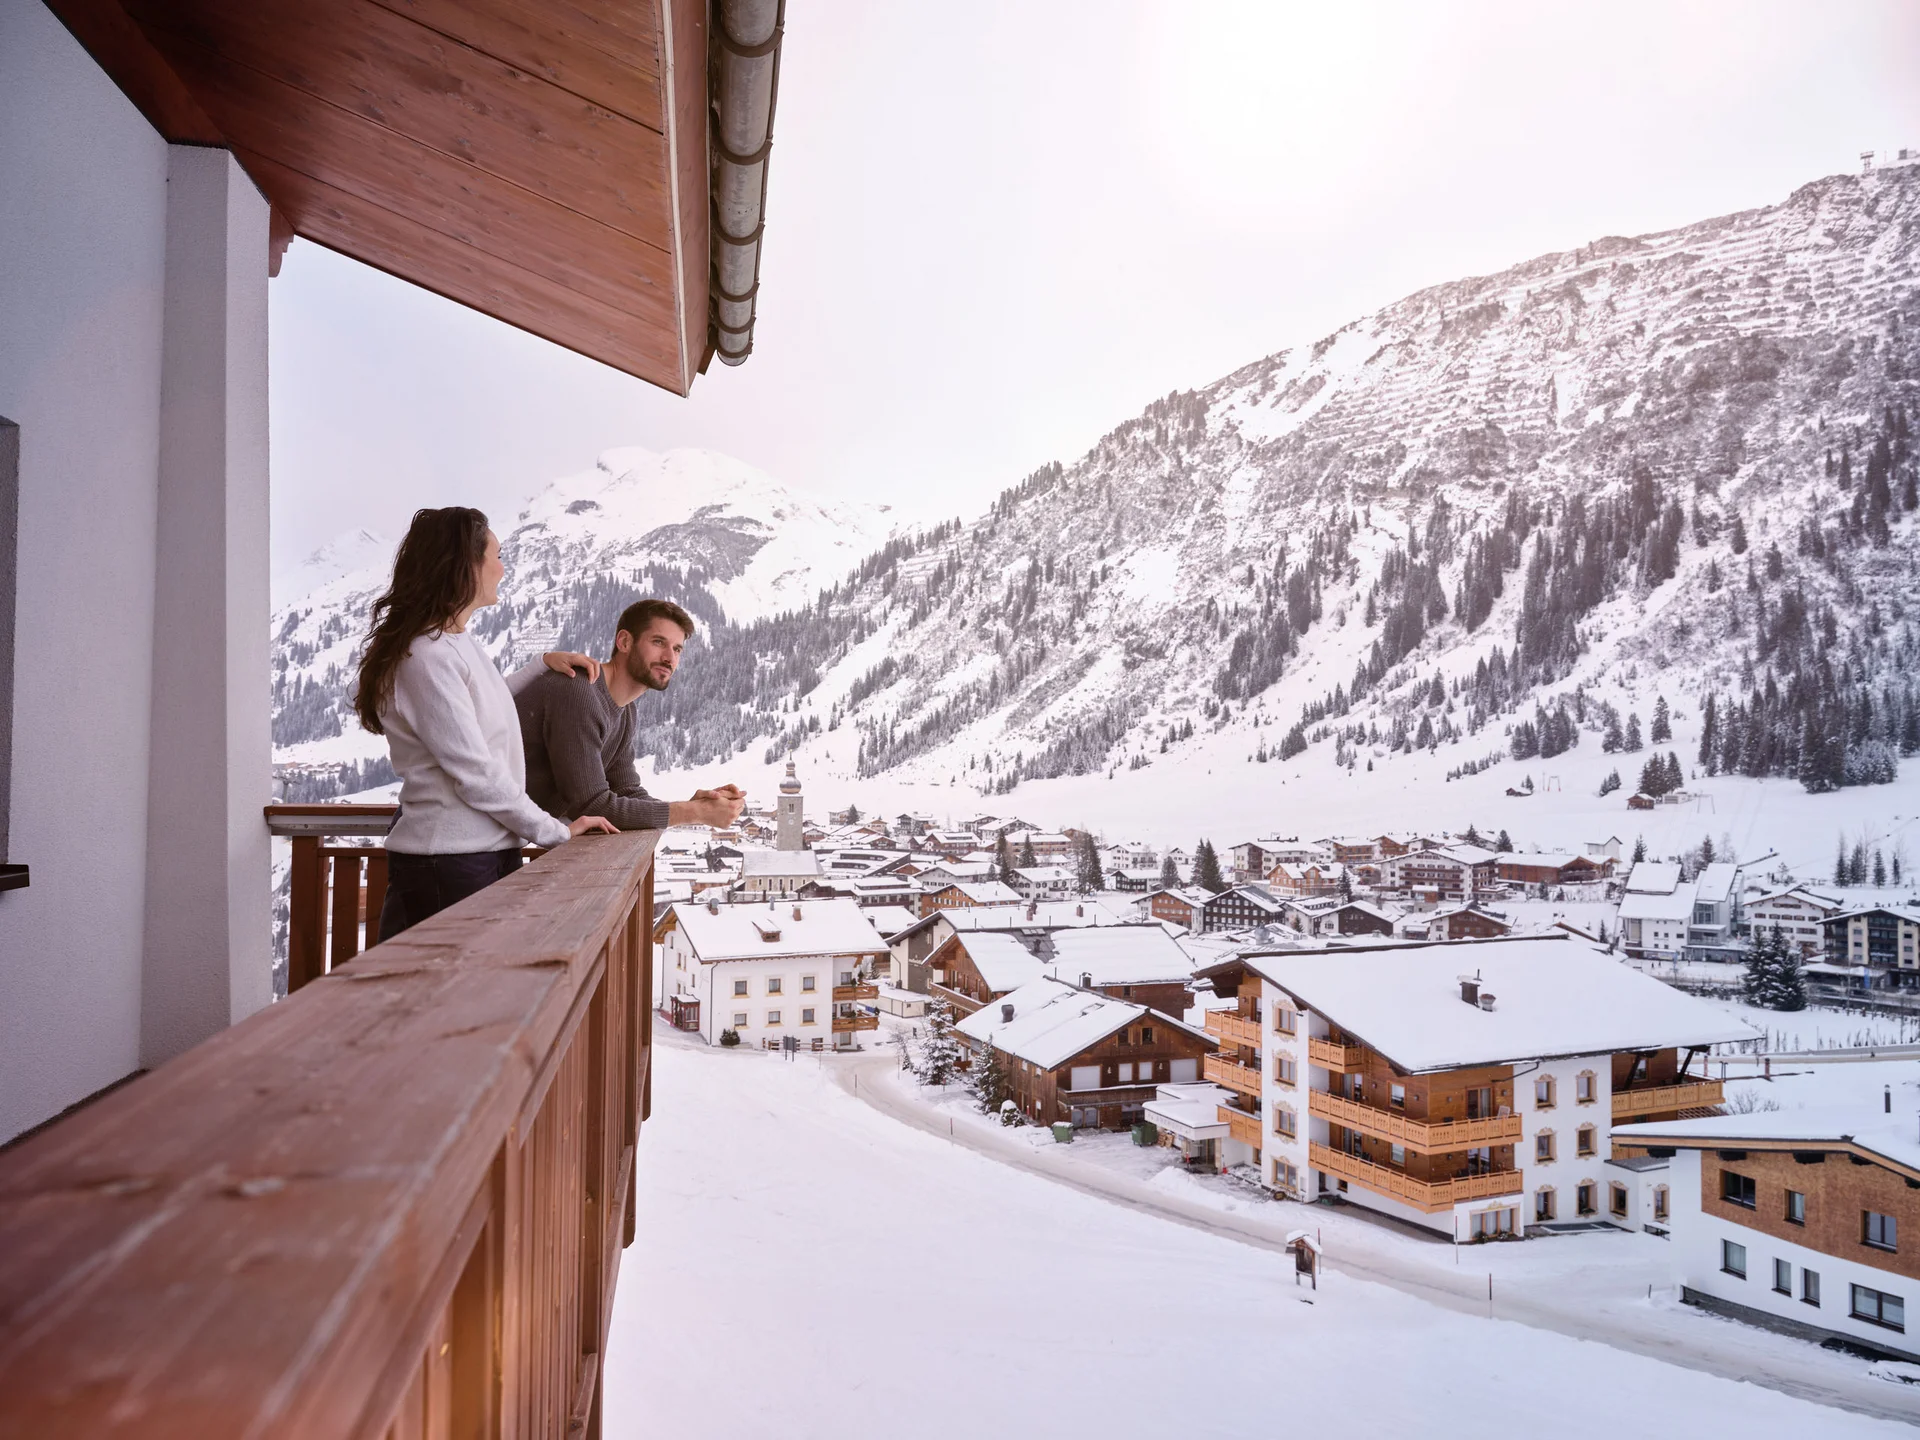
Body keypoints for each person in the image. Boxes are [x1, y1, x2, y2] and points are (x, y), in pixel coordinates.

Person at [352, 507, 617, 940]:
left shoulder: (452, 643)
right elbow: (475, 771)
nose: (503, 568)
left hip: (478, 855)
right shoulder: (427, 656)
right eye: (497, 555)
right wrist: (554, 831)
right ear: (465, 566)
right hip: (449, 863)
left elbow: (483, 707)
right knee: (443, 982)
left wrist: (540, 664)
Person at [515, 598, 746, 832]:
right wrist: (694, 812)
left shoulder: (625, 711)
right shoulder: (578, 691)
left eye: (677, 649)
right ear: (625, 642)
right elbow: (590, 806)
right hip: (494, 840)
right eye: (658, 642)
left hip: (512, 838)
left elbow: (626, 790)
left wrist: (693, 807)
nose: (669, 658)